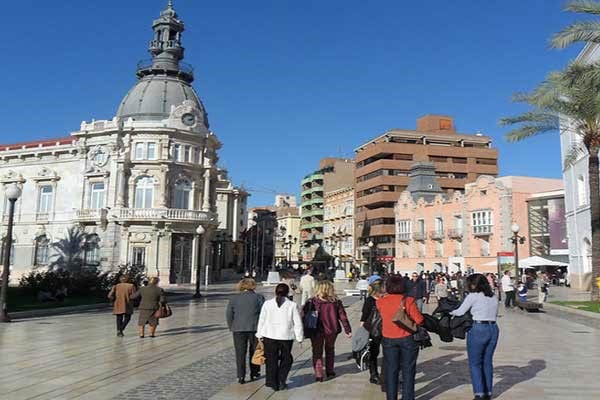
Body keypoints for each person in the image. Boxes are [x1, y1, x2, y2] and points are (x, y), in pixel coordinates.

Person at [450, 274, 499, 400]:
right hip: (493, 328)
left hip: (478, 328)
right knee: (487, 362)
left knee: (475, 363)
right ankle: (488, 392)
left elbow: (460, 311)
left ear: (473, 284)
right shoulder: (494, 296)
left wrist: (449, 311)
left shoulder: (473, 296)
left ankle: (479, 393)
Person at [377, 275, 424, 400]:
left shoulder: (381, 301)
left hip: (388, 338)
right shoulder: (408, 300)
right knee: (408, 370)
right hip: (407, 338)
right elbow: (419, 320)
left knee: (391, 370)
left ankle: (391, 397)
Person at [256, 284, 303, 391]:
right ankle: (281, 379)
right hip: (286, 336)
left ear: (275, 292)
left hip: (269, 335)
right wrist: (299, 338)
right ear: (287, 292)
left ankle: (271, 381)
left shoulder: (267, 304)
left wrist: (259, 334)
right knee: (286, 359)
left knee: (271, 360)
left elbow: (262, 320)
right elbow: (297, 322)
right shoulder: (292, 305)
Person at [305, 281, 352, 382]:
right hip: (332, 330)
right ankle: (330, 371)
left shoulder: (312, 301)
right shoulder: (335, 302)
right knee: (330, 349)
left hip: (316, 330)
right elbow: (343, 317)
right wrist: (347, 329)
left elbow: (303, 315)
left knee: (317, 352)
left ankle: (319, 374)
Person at [226, 278, 265, 384]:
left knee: (240, 353)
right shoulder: (259, 297)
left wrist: (231, 326)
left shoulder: (234, 298)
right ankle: (254, 372)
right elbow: (263, 314)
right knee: (255, 350)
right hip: (255, 328)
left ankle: (241, 376)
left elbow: (229, 314)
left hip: (238, 329)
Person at [360, 277, 384, 384]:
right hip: (375, 330)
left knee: (384, 353)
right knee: (374, 353)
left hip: (382, 329)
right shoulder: (370, 300)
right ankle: (374, 375)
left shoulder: (381, 299)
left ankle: (382, 374)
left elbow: (364, 317)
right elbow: (364, 316)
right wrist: (362, 331)